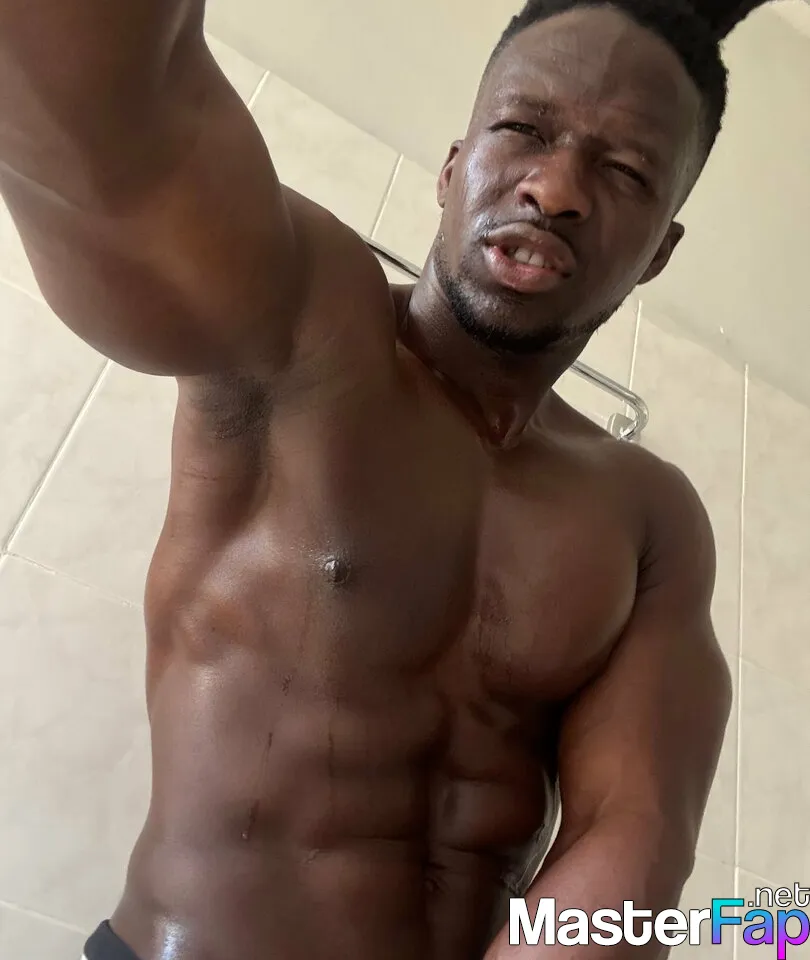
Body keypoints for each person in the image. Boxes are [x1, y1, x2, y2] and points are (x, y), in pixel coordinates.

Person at [0, 0, 768, 957]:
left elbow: (636, 836)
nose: (556, 188)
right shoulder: (298, 327)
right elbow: (93, 117)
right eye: (523, 129)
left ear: (659, 252)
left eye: (625, 171)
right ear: (452, 167)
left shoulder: (649, 516)